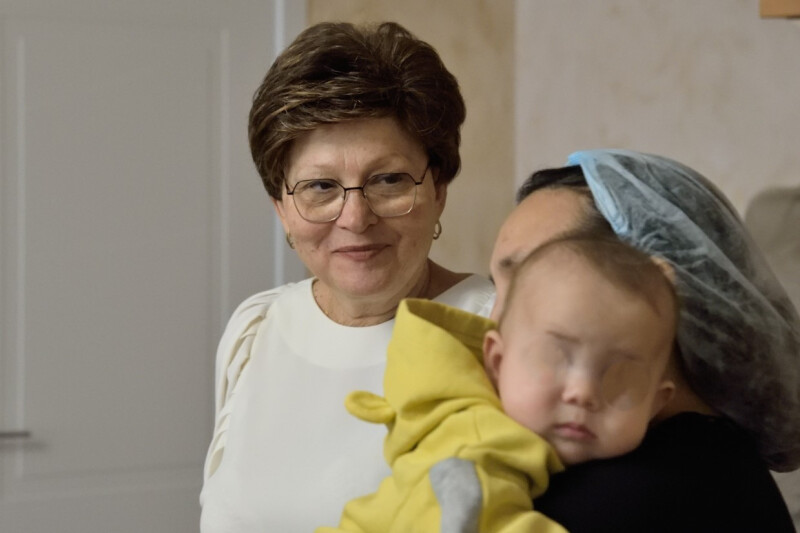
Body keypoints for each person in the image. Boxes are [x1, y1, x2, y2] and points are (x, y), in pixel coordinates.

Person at [199, 21, 495, 532]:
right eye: (320, 186)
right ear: (280, 208)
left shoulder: (500, 329)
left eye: (388, 180)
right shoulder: (254, 331)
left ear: (438, 190)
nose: (355, 218)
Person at [491, 149, 799, 532]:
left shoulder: (631, 501)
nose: (493, 320)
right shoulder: (715, 456)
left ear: (654, 285)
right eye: (496, 290)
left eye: (527, 276)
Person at [318, 236, 679, 533]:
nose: (582, 393)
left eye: (620, 378)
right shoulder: (481, 442)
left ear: (656, 403)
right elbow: (477, 516)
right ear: (497, 361)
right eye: (554, 359)